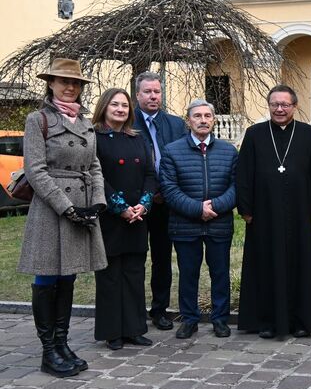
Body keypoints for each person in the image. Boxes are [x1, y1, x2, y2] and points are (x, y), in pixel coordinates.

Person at [18, 58, 106, 377]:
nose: (70, 87)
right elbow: (35, 170)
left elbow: (94, 166)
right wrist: (67, 206)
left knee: (69, 276)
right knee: (47, 275)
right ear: (50, 84)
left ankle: (62, 342)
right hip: (52, 209)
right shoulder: (37, 119)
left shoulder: (85, 122)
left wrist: (96, 202)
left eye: (76, 83)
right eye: (63, 81)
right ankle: (48, 351)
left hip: (83, 207)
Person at [237, 85, 311, 338]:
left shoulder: (308, 134)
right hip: (263, 215)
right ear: (269, 105)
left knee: (300, 266)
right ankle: (266, 322)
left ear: (294, 106)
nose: (279, 109)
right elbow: (243, 174)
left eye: (285, 104)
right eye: (275, 104)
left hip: (299, 214)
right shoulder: (254, 134)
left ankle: (302, 321)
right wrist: (245, 210)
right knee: (265, 266)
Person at [159, 100, 238, 340]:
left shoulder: (229, 151)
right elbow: (169, 189)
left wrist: (215, 206)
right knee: (188, 274)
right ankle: (189, 319)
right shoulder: (172, 151)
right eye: (197, 116)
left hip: (219, 223)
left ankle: (220, 319)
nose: (203, 120)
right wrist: (197, 209)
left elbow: (236, 187)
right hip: (185, 225)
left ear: (213, 120)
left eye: (207, 116)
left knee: (220, 274)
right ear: (188, 121)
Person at [91, 88, 158, 350]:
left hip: (138, 218)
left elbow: (150, 175)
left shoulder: (137, 138)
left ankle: (134, 328)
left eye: (125, 106)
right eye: (115, 105)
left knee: (134, 273)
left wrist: (144, 203)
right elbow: (96, 177)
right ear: (104, 107)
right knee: (110, 276)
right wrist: (120, 208)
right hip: (111, 218)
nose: (120, 109)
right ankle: (112, 332)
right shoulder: (94, 138)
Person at [133, 71, 187, 331]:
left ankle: (159, 310)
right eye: (148, 91)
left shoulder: (176, 124)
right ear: (137, 94)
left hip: (167, 203)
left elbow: (181, 161)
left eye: (157, 91)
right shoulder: (126, 121)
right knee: (134, 258)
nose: (153, 96)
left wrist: (168, 191)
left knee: (162, 258)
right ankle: (132, 311)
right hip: (135, 204)